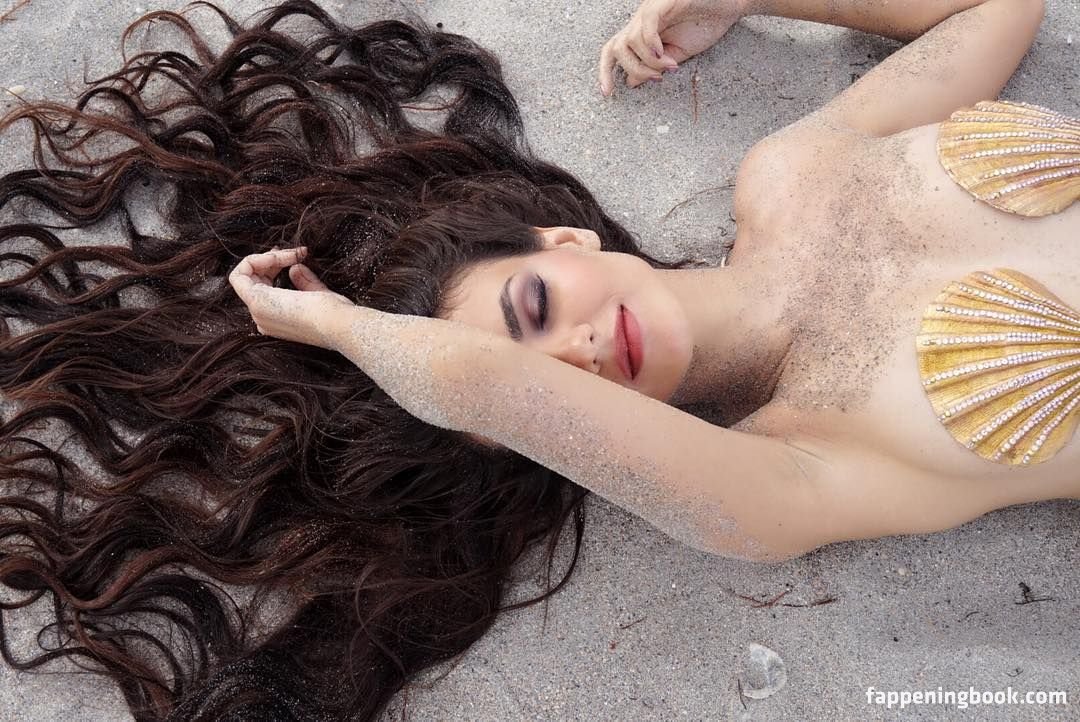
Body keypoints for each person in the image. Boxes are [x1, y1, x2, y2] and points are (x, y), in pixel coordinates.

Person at [0, 1, 1075, 721]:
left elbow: (996, 9)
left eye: (534, 307)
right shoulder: (787, 477)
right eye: (545, 391)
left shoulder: (790, 170)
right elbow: (477, 382)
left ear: (565, 243)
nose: (578, 355)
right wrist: (339, 331)